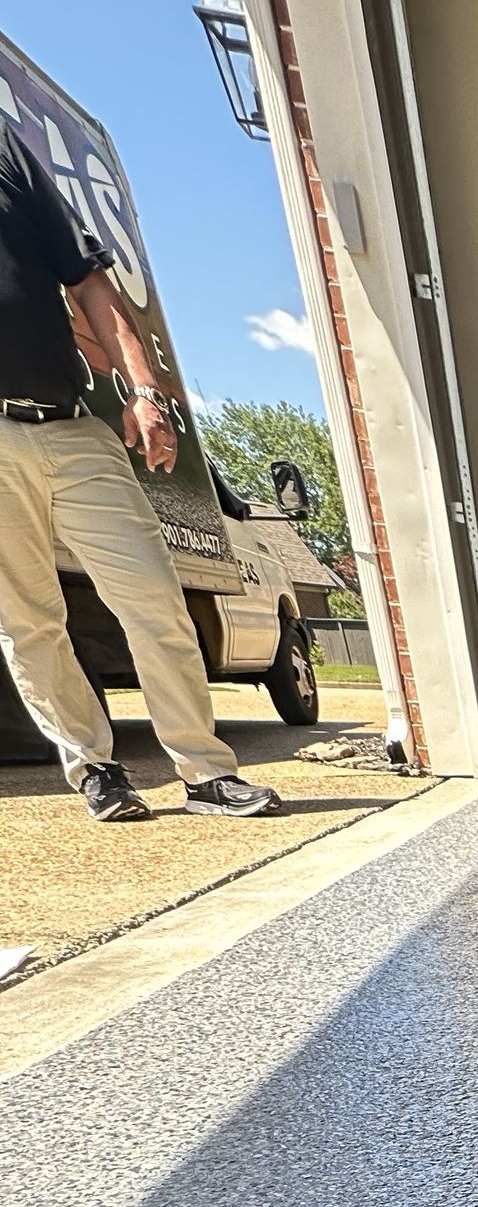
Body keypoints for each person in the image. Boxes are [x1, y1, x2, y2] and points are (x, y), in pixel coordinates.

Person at [0, 118, 280, 823]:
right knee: (29, 621)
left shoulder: (8, 151)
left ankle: (206, 772)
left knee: (153, 598)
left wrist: (146, 391)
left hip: (71, 427)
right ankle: (95, 768)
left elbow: (93, 285)